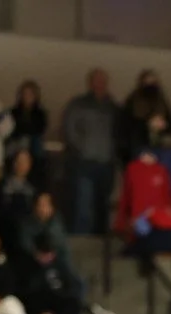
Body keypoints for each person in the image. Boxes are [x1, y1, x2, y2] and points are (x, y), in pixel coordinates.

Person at [61, 69, 121, 237]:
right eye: (96, 80)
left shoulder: (114, 108)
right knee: (83, 206)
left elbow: (120, 134)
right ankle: (81, 242)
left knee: (103, 205)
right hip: (84, 163)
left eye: (103, 81)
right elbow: (69, 129)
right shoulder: (77, 104)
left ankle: (100, 243)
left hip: (106, 164)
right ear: (90, 83)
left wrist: (114, 154)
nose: (100, 84)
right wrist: (81, 148)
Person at [123, 69, 171, 154]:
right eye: (147, 82)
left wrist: (163, 125)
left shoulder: (161, 101)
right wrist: (147, 123)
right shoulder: (133, 100)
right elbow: (125, 124)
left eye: (153, 82)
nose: (150, 84)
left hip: (156, 145)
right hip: (136, 145)